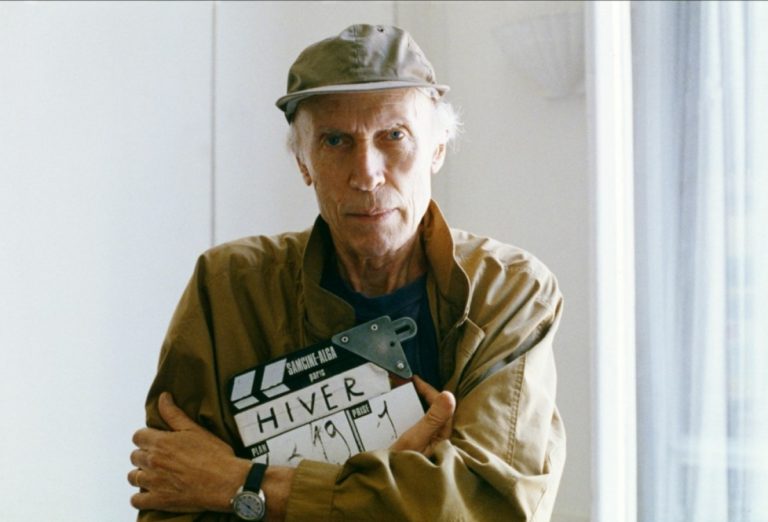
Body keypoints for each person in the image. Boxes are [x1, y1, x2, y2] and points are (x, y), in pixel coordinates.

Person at [128, 24, 565, 522]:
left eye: (394, 135)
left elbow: (490, 505)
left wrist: (242, 484)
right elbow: (172, 493)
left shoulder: (509, 290)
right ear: (303, 162)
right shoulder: (228, 288)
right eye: (335, 140)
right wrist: (408, 490)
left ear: (438, 148)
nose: (367, 174)